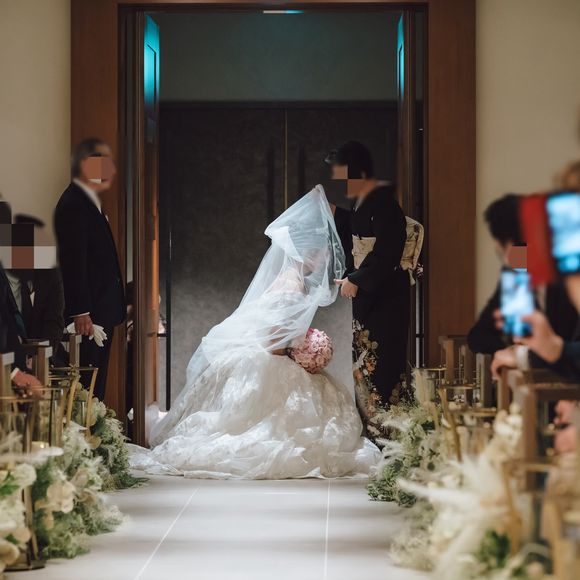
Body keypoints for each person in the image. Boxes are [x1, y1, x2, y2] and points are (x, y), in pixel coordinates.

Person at [130, 186, 380, 479]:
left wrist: (302, 343)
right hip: (272, 358)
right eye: (322, 252)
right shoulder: (292, 285)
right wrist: (300, 351)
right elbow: (273, 340)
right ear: (306, 253)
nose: (326, 259)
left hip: (270, 355)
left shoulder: (291, 278)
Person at [326, 141, 409, 431]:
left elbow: (388, 251)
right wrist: (336, 213)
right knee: (364, 359)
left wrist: (356, 279)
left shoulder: (384, 202)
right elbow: (357, 229)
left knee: (383, 361)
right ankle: (372, 427)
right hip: (368, 295)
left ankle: (388, 431)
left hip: (386, 295)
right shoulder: (361, 200)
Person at [54, 138, 125, 400]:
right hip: (90, 313)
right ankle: (86, 423)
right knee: (86, 382)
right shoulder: (74, 203)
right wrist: (80, 311)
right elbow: (74, 260)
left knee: (96, 381)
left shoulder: (90, 200)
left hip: (102, 306)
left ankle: (94, 422)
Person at [468, 194, 578, 356]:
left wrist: (528, 357)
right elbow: (478, 336)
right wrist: (511, 352)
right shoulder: (514, 276)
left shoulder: (569, 274)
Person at [6, 214, 67, 366]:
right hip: (7, 358)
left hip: (44, 355)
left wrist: (39, 358)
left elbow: (55, 321)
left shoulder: (51, 273)